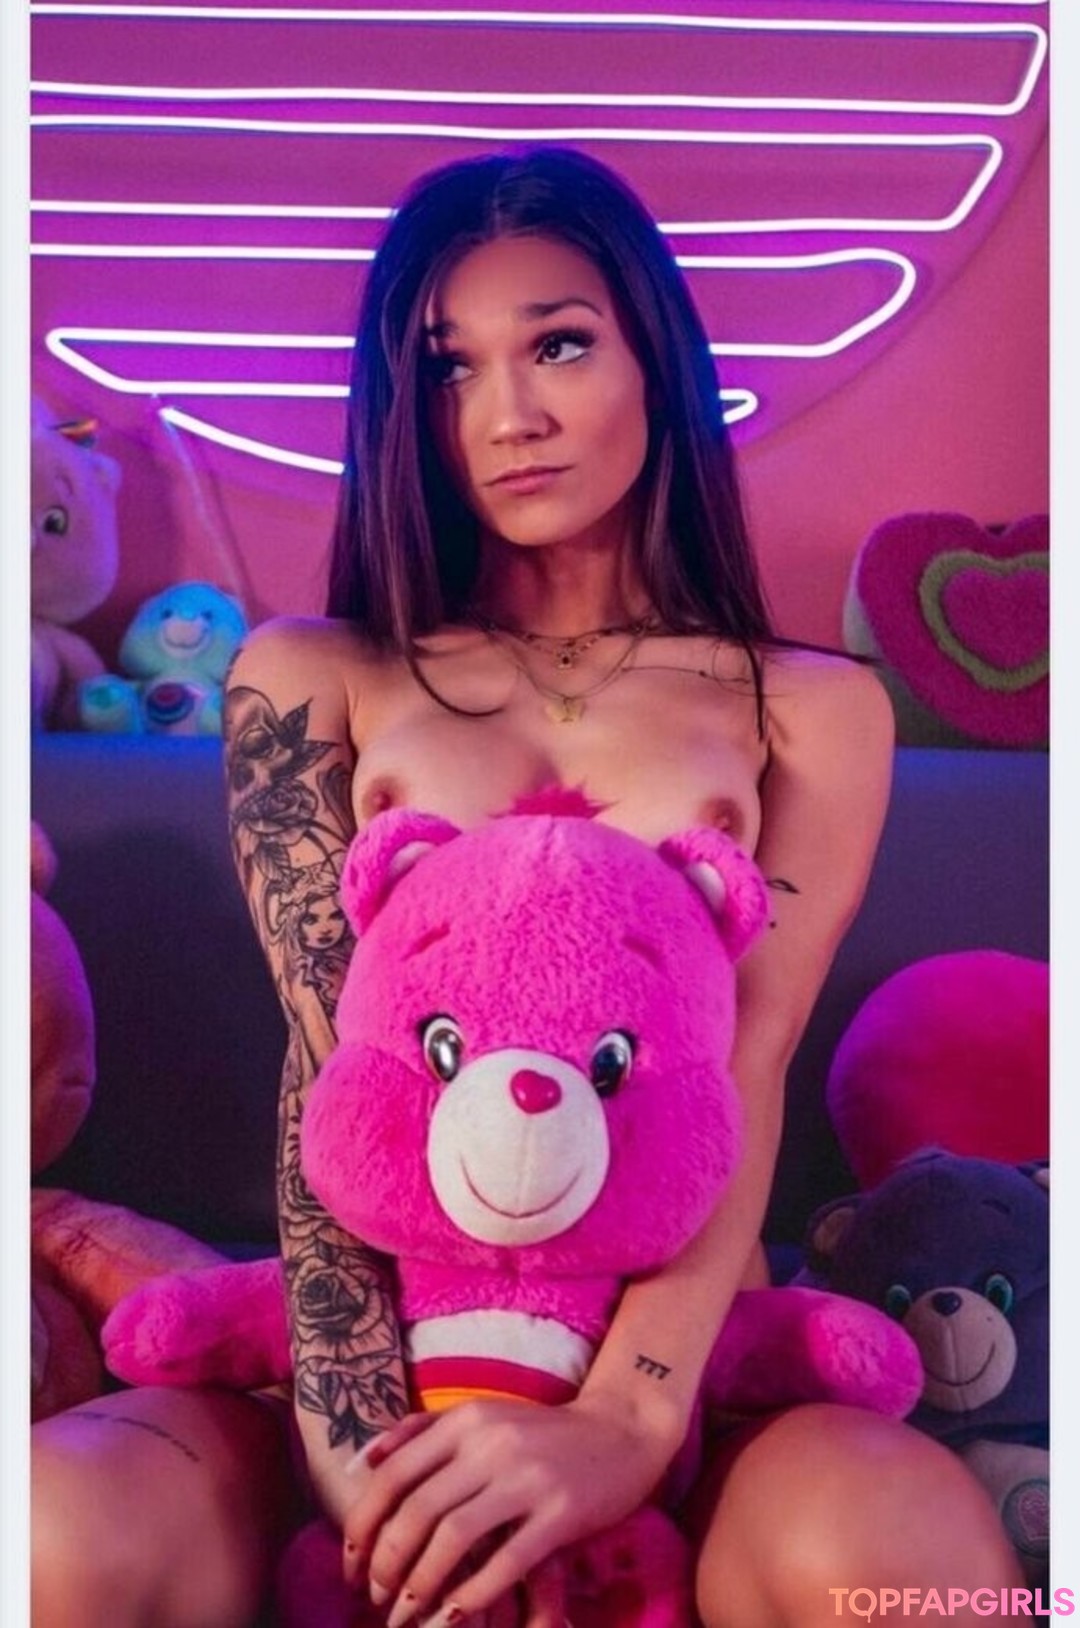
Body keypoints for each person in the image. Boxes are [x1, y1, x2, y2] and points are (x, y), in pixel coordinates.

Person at [32, 147, 1020, 1628]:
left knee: (910, 1564)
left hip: (671, 1360)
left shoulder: (812, 707)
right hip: (370, 1353)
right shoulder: (312, 674)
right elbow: (333, 1075)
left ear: (653, 358)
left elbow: (740, 1076)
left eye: (558, 344)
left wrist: (625, 1423)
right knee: (51, 1535)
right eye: (448, 368)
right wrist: (363, 1452)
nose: (507, 415)